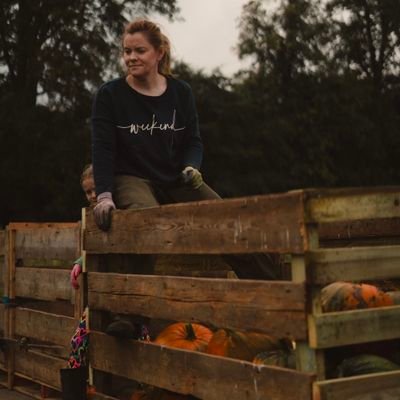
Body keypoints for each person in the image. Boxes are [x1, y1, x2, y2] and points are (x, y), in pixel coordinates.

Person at [90, 20, 282, 313]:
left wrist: (192, 166)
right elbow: (103, 149)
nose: (131, 57)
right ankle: (131, 313)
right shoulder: (110, 95)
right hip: (132, 178)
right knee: (144, 220)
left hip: (175, 177)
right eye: (126, 51)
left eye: (139, 50)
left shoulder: (180, 93)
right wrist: (104, 194)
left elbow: (193, 141)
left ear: (159, 52)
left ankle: (278, 293)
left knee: (226, 219)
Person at [70, 164, 96, 290]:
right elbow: (95, 246)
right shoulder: (91, 215)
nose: (93, 195)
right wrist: (79, 263)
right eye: (88, 192)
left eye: (95, 189)